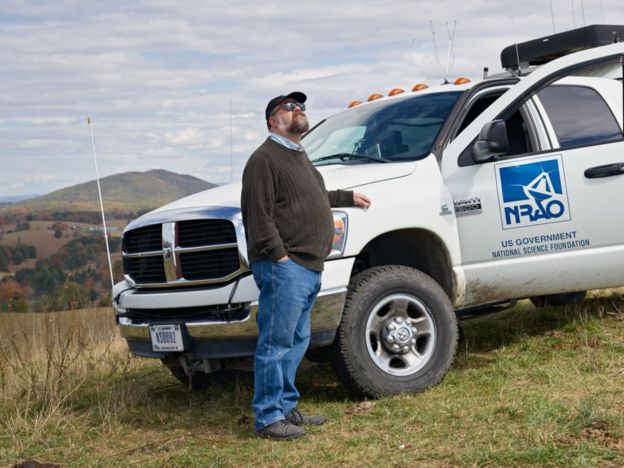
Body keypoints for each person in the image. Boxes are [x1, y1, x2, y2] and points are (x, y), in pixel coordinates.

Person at [241, 91, 371, 440]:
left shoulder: (298, 156)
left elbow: (311, 196)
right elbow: (258, 214)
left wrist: (346, 198)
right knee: (276, 342)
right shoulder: (263, 159)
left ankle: (285, 409)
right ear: (273, 120)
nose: (298, 110)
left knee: (297, 341)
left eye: (301, 106)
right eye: (289, 107)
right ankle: (268, 418)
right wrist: (279, 256)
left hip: (309, 267)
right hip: (286, 266)